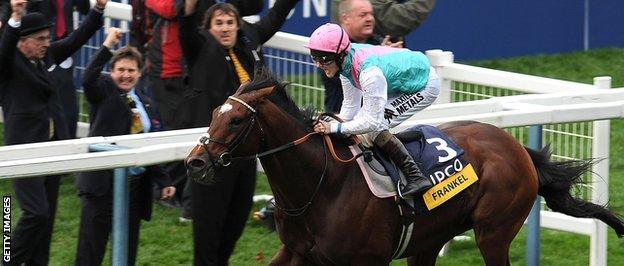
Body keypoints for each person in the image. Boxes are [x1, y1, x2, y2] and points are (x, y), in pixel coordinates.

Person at [178, 0, 299, 264]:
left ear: (238, 25)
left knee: (235, 223)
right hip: (211, 156)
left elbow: (276, 15)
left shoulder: (249, 40)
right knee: (209, 232)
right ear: (208, 28)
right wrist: (188, 6)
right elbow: (185, 26)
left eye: (230, 23)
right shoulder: (199, 47)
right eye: (218, 23)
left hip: (242, 154)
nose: (225, 29)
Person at [0, 0, 108, 264]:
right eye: (40, 39)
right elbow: (4, 48)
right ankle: (7, 259)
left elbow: (75, 40)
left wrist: (98, 11)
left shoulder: (46, 56)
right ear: (22, 41)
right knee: (33, 212)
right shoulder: (8, 63)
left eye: (48, 38)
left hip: (53, 149)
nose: (46, 43)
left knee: (46, 217)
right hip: (24, 150)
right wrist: (15, 17)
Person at [74, 27, 176, 265]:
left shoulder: (147, 104)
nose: (126, 75)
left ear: (140, 74)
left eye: (131, 70)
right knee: (90, 252)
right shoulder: (103, 92)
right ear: (111, 72)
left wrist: (164, 180)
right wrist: (107, 45)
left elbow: (150, 141)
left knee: (127, 254)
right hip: (101, 188)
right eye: (120, 70)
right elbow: (88, 77)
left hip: (134, 190)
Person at [308, 23, 440, 198]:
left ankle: (415, 176)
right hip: (400, 80)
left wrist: (334, 128)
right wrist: (331, 122)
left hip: (424, 85)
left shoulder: (369, 74)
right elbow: (349, 110)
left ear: (340, 55)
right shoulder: (346, 65)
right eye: (315, 58)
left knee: (375, 128)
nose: (318, 64)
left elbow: (372, 122)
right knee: (361, 122)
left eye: (324, 59)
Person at [324, 0, 436, 113]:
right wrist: (384, 61)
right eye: (363, 15)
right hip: (342, 119)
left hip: (380, 116)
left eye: (371, 14)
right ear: (345, 18)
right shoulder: (333, 50)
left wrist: (396, 58)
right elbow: (361, 81)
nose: (369, 19)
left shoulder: (378, 41)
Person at [27, 0, 91, 139]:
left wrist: (98, 8)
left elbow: (84, 9)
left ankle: (67, 142)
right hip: (43, 50)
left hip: (64, 49)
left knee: (68, 109)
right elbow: (28, 13)